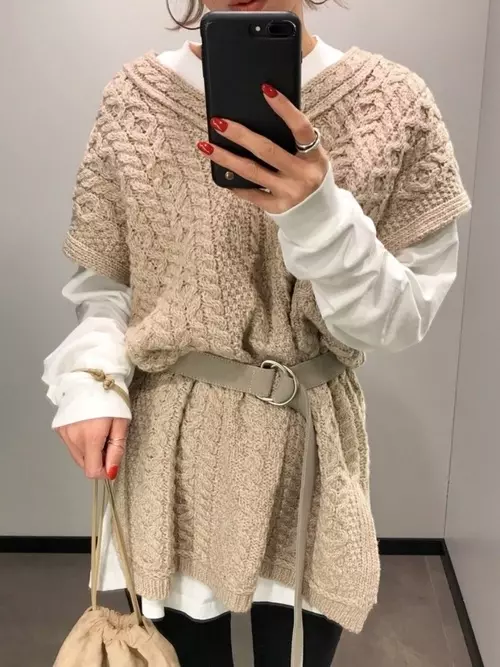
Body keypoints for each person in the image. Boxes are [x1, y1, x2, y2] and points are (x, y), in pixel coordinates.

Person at [42, 0, 471, 664]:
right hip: (171, 451)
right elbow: (106, 283)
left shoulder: (395, 105)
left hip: (310, 449)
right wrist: (90, 382)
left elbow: (401, 316)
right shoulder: (134, 100)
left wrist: (319, 214)